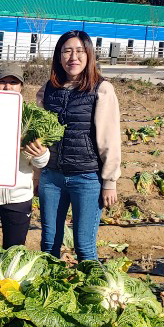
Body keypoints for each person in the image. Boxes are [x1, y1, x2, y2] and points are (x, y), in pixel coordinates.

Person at [36, 30, 121, 262]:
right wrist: (37, 176)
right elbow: (39, 136)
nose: (73, 57)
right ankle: (51, 293)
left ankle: (92, 295)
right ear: (58, 56)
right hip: (52, 177)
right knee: (48, 244)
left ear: (89, 55)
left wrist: (109, 182)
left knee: (84, 247)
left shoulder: (101, 89)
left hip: (86, 177)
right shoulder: (48, 90)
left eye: (79, 51)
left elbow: (109, 138)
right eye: (66, 51)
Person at [0, 62, 49, 248]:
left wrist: (40, 154)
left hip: (18, 198)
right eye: (2, 81)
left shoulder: (31, 118)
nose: (7, 87)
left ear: (21, 87)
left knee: (14, 250)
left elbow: (41, 161)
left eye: (13, 82)